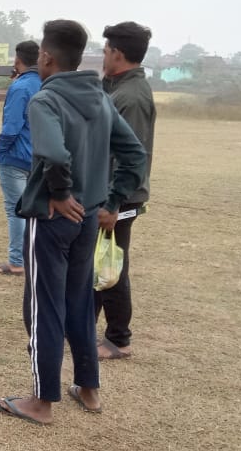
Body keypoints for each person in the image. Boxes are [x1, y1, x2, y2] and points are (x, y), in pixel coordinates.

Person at [0, 19, 146, 425]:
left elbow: (55, 155)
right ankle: (88, 389)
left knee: (43, 305)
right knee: (79, 301)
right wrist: (111, 199)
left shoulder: (45, 100)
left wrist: (59, 193)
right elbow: (135, 154)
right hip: (89, 216)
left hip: (52, 217)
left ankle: (41, 401)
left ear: (46, 56)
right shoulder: (100, 97)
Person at [96, 21, 157, 360]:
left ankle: (119, 339)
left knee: (112, 265)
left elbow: (132, 157)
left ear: (117, 53)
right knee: (97, 262)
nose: (103, 56)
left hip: (120, 196)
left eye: (105, 51)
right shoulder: (117, 88)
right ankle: (82, 327)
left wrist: (113, 202)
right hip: (110, 193)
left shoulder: (131, 97)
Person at [0, 41, 41, 276]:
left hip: (16, 157)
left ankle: (17, 261)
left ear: (17, 61)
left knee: (16, 210)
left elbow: (12, 126)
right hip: (38, 156)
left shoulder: (20, 87)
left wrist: (2, 150)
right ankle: (31, 256)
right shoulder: (45, 83)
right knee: (33, 210)